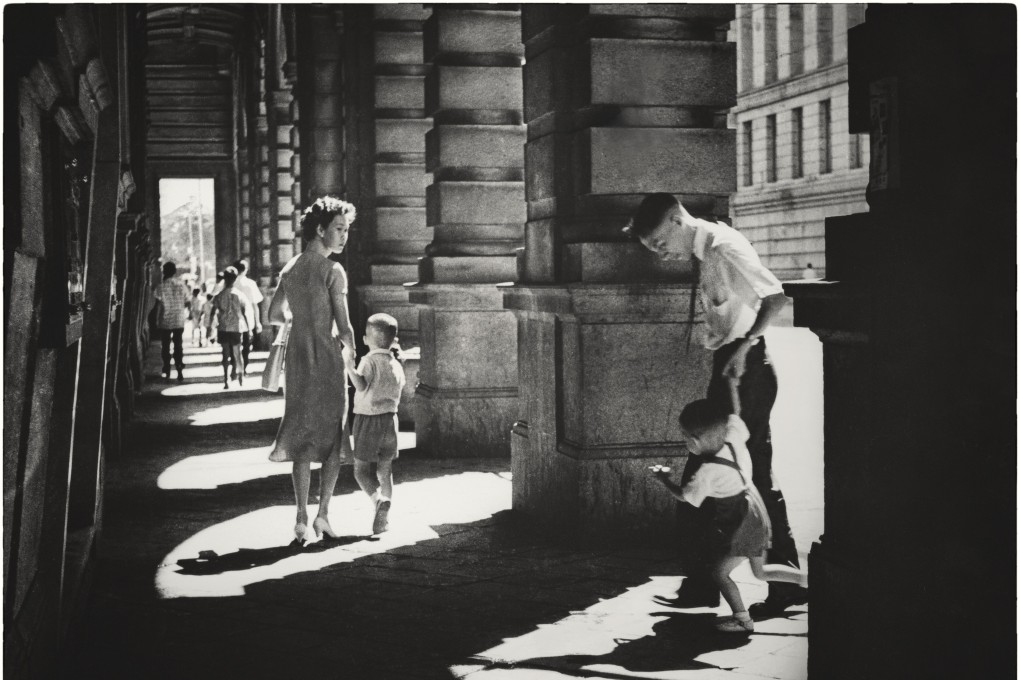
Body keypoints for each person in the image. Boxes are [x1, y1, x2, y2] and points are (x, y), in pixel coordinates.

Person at [627, 193, 806, 619]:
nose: (659, 253)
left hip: (745, 371)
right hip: (732, 366)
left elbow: (776, 297)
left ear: (676, 219)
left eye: (657, 242)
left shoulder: (725, 247)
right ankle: (738, 582)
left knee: (723, 470)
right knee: (741, 469)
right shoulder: (704, 251)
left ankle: (712, 583)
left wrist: (743, 348)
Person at [650, 378, 808, 633]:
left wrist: (663, 479)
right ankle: (815, 582)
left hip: (742, 524)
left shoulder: (707, 472)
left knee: (720, 573)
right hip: (756, 513)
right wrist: (733, 386)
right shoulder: (733, 435)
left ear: (696, 440)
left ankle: (742, 620)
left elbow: (684, 496)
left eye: (685, 436)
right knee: (762, 571)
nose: (685, 442)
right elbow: (733, 415)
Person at [267, 196, 358, 544]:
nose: (344, 236)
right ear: (320, 229)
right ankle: (323, 516)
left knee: (302, 435)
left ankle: (301, 520)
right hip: (327, 358)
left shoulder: (290, 270)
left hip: (298, 360)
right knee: (333, 436)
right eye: (338, 228)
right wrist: (355, 354)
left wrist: (296, 321)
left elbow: (274, 315)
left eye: (346, 230)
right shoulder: (333, 271)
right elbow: (345, 325)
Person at [344, 313, 406, 535]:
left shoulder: (368, 361)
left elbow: (360, 386)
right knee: (385, 469)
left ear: (366, 339)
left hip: (367, 420)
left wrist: (349, 367)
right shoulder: (395, 364)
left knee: (360, 470)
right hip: (391, 421)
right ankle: (385, 513)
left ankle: (377, 499)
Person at [210, 267, 252, 390]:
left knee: (225, 354)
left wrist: (210, 327)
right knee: (237, 353)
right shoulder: (240, 295)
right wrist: (248, 329)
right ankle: (240, 377)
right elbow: (244, 313)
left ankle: (226, 380)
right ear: (235, 279)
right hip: (236, 327)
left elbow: (213, 312)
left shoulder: (219, 295)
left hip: (223, 327)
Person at [152, 261, 190, 381]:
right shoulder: (181, 285)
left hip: (165, 319)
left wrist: (156, 320)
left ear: (164, 271)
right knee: (178, 344)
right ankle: (179, 368)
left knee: (165, 345)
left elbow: (158, 305)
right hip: (179, 319)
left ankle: (167, 368)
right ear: (174, 272)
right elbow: (188, 301)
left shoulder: (160, 287)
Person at [233, 258, 264, 374]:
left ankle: (235, 365)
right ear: (245, 270)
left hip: (234, 319)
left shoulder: (232, 284)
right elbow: (255, 305)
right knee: (246, 345)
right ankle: (244, 367)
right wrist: (258, 322)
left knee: (234, 343)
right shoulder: (251, 284)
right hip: (248, 319)